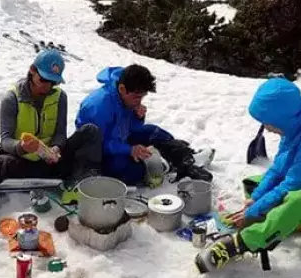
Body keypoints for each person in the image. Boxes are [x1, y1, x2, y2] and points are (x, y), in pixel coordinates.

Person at [195, 78, 301, 273]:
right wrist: (254, 200)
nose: (267, 128)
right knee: (255, 184)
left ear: (282, 117)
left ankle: (241, 243)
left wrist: (254, 211)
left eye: (268, 123)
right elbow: (279, 169)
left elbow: (293, 185)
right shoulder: (297, 121)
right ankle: (275, 216)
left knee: (298, 199)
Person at [0, 50, 102, 242]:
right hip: (24, 161)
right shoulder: (12, 99)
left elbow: (60, 133)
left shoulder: (60, 97)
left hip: (53, 159)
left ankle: (79, 187)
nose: (48, 86)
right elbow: (6, 140)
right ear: (32, 71)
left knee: (90, 131)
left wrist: (57, 148)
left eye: (53, 82)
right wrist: (22, 147)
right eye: (44, 79)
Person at [76, 64, 212, 187]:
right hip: (99, 155)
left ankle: (187, 161)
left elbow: (128, 129)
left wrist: (137, 117)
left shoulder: (125, 94)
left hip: (119, 142)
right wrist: (129, 150)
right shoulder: (99, 106)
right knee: (131, 171)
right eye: (137, 97)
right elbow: (97, 145)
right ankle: (162, 163)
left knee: (152, 131)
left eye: (142, 96)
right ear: (123, 89)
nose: (139, 101)